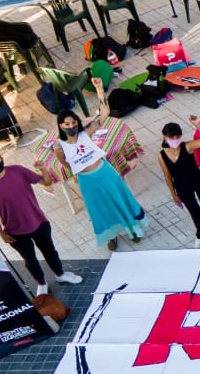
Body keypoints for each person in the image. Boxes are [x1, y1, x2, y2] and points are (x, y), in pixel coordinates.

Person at [41, 79, 147, 251]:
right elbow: (66, 165)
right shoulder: (59, 146)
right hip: (87, 181)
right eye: (66, 124)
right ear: (61, 126)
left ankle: (132, 230)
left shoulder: (86, 133)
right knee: (100, 209)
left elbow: (104, 112)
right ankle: (111, 236)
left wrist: (99, 89)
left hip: (105, 172)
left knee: (120, 199)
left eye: (73, 122)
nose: (71, 126)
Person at [0, 147, 83, 295]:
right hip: (13, 231)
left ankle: (60, 275)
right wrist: (1, 233)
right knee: (30, 260)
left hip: (38, 221)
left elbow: (46, 182)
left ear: (1, 158)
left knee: (50, 251)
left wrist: (43, 169)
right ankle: (42, 283)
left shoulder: (17, 170)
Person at [159, 116, 200, 246]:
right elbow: (167, 176)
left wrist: (197, 125)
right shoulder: (162, 155)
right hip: (182, 187)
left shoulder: (188, 146)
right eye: (171, 137)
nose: (175, 140)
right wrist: (174, 194)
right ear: (164, 137)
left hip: (198, 181)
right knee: (193, 211)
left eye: (177, 137)